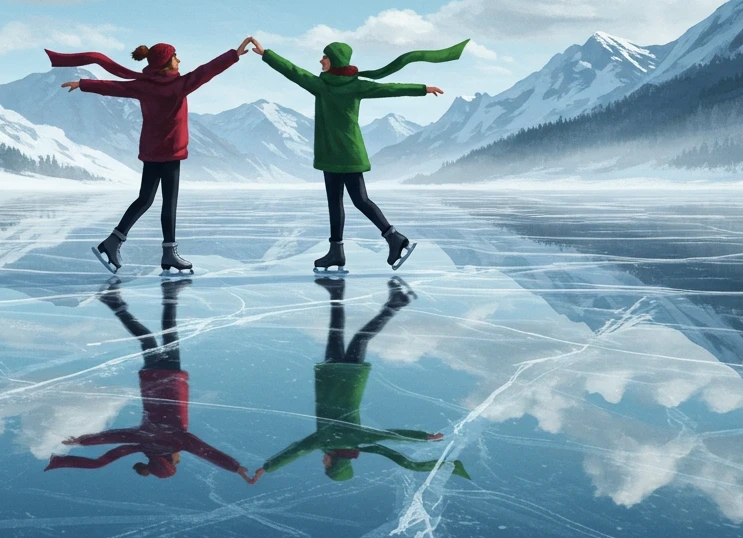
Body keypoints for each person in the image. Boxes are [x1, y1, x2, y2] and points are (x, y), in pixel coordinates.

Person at [248, 38, 467, 271]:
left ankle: (393, 238)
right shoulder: (349, 85)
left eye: (325, 56)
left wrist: (266, 54)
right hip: (343, 153)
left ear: (334, 61)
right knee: (345, 201)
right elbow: (389, 89)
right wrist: (422, 89)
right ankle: (338, 251)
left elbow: (293, 72)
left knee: (352, 200)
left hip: (338, 154)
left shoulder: (322, 85)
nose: (321, 60)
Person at [47, 38, 256, 274]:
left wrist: (84, 84)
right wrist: (234, 55)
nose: (179, 60)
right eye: (176, 56)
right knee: (169, 202)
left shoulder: (144, 84)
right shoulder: (180, 85)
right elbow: (206, 71)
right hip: (170, 154)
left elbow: (113, 87)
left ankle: (114, 241)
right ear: (166, 62)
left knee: (145, 199)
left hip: (151, 152)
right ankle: (168, 253)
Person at [253, 277, 469, 483]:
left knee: (348, 336)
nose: (323, 461)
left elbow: (390, 435)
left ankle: (340, 291)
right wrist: (267, 467)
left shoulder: (355, 440)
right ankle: (390, 303)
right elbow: (297, 450)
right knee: (348, 336)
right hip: (335, 379)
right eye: (326, 465)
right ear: (335, 463)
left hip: (347, 380)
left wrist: (424, 437)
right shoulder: (326, 441)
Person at [45, 278, 258, 483]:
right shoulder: (143, 441)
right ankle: (118, 301)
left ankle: (166, 294)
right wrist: (83, 441)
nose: (179, 459)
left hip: (171, 379)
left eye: (176, 462)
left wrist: (234, 467)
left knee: (168, 335)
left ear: (168, 461)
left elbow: (207, 452)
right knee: (148, 340)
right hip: (151, 380)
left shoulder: (178, 441)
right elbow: (114, 439)